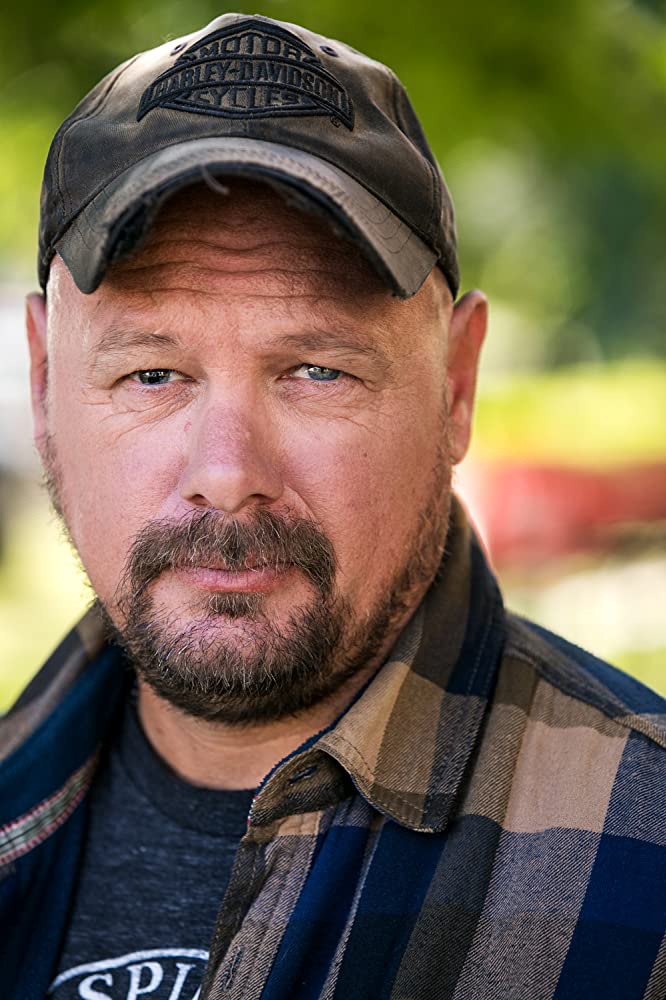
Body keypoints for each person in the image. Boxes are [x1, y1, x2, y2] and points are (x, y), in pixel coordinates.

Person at [1, 12, 664, 1000]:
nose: (227, 472)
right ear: (46, 380)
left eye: (317, 370)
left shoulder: (646, 851)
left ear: (456, 386)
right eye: (152, 374)